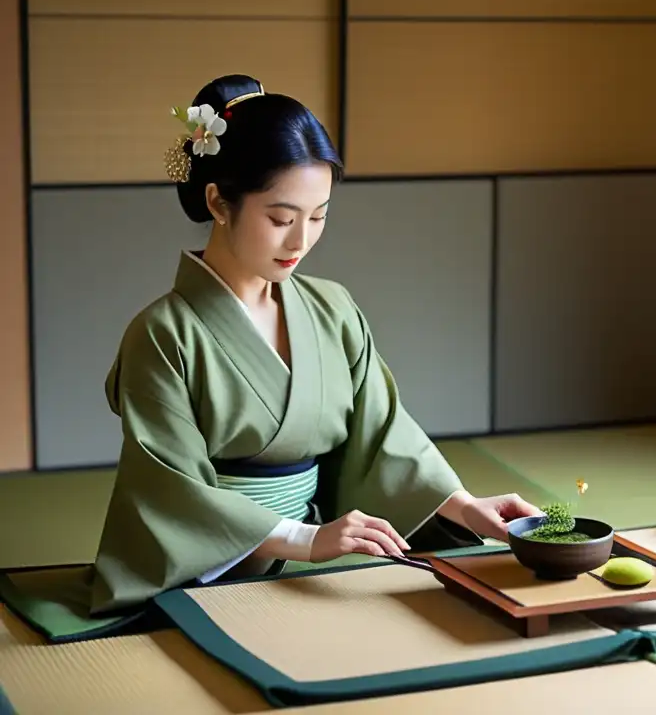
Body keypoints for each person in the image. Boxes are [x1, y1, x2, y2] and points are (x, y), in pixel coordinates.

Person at [87, 73, 542, 614]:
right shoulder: (162, 335)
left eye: (319, 216)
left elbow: (382, 435)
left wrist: (465, 507)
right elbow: (168, 490)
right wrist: (305, 540)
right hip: (206, 575)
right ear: (218, 201)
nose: (301, 240)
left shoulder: (332, 309)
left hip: (306, 575)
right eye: (281, 219)